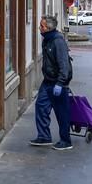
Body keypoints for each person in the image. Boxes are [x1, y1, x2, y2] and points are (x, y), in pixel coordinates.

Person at [29, 15, 73, 151]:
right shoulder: (47, 40)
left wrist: (60, 83)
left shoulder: (57, 41)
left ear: (48, 28)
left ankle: (66, 141)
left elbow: (64, 65)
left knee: (61, 112)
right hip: (48, 81)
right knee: (41, 106)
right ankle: (44, 136)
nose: (39, 28)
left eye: (41, 26)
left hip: (58, 82)